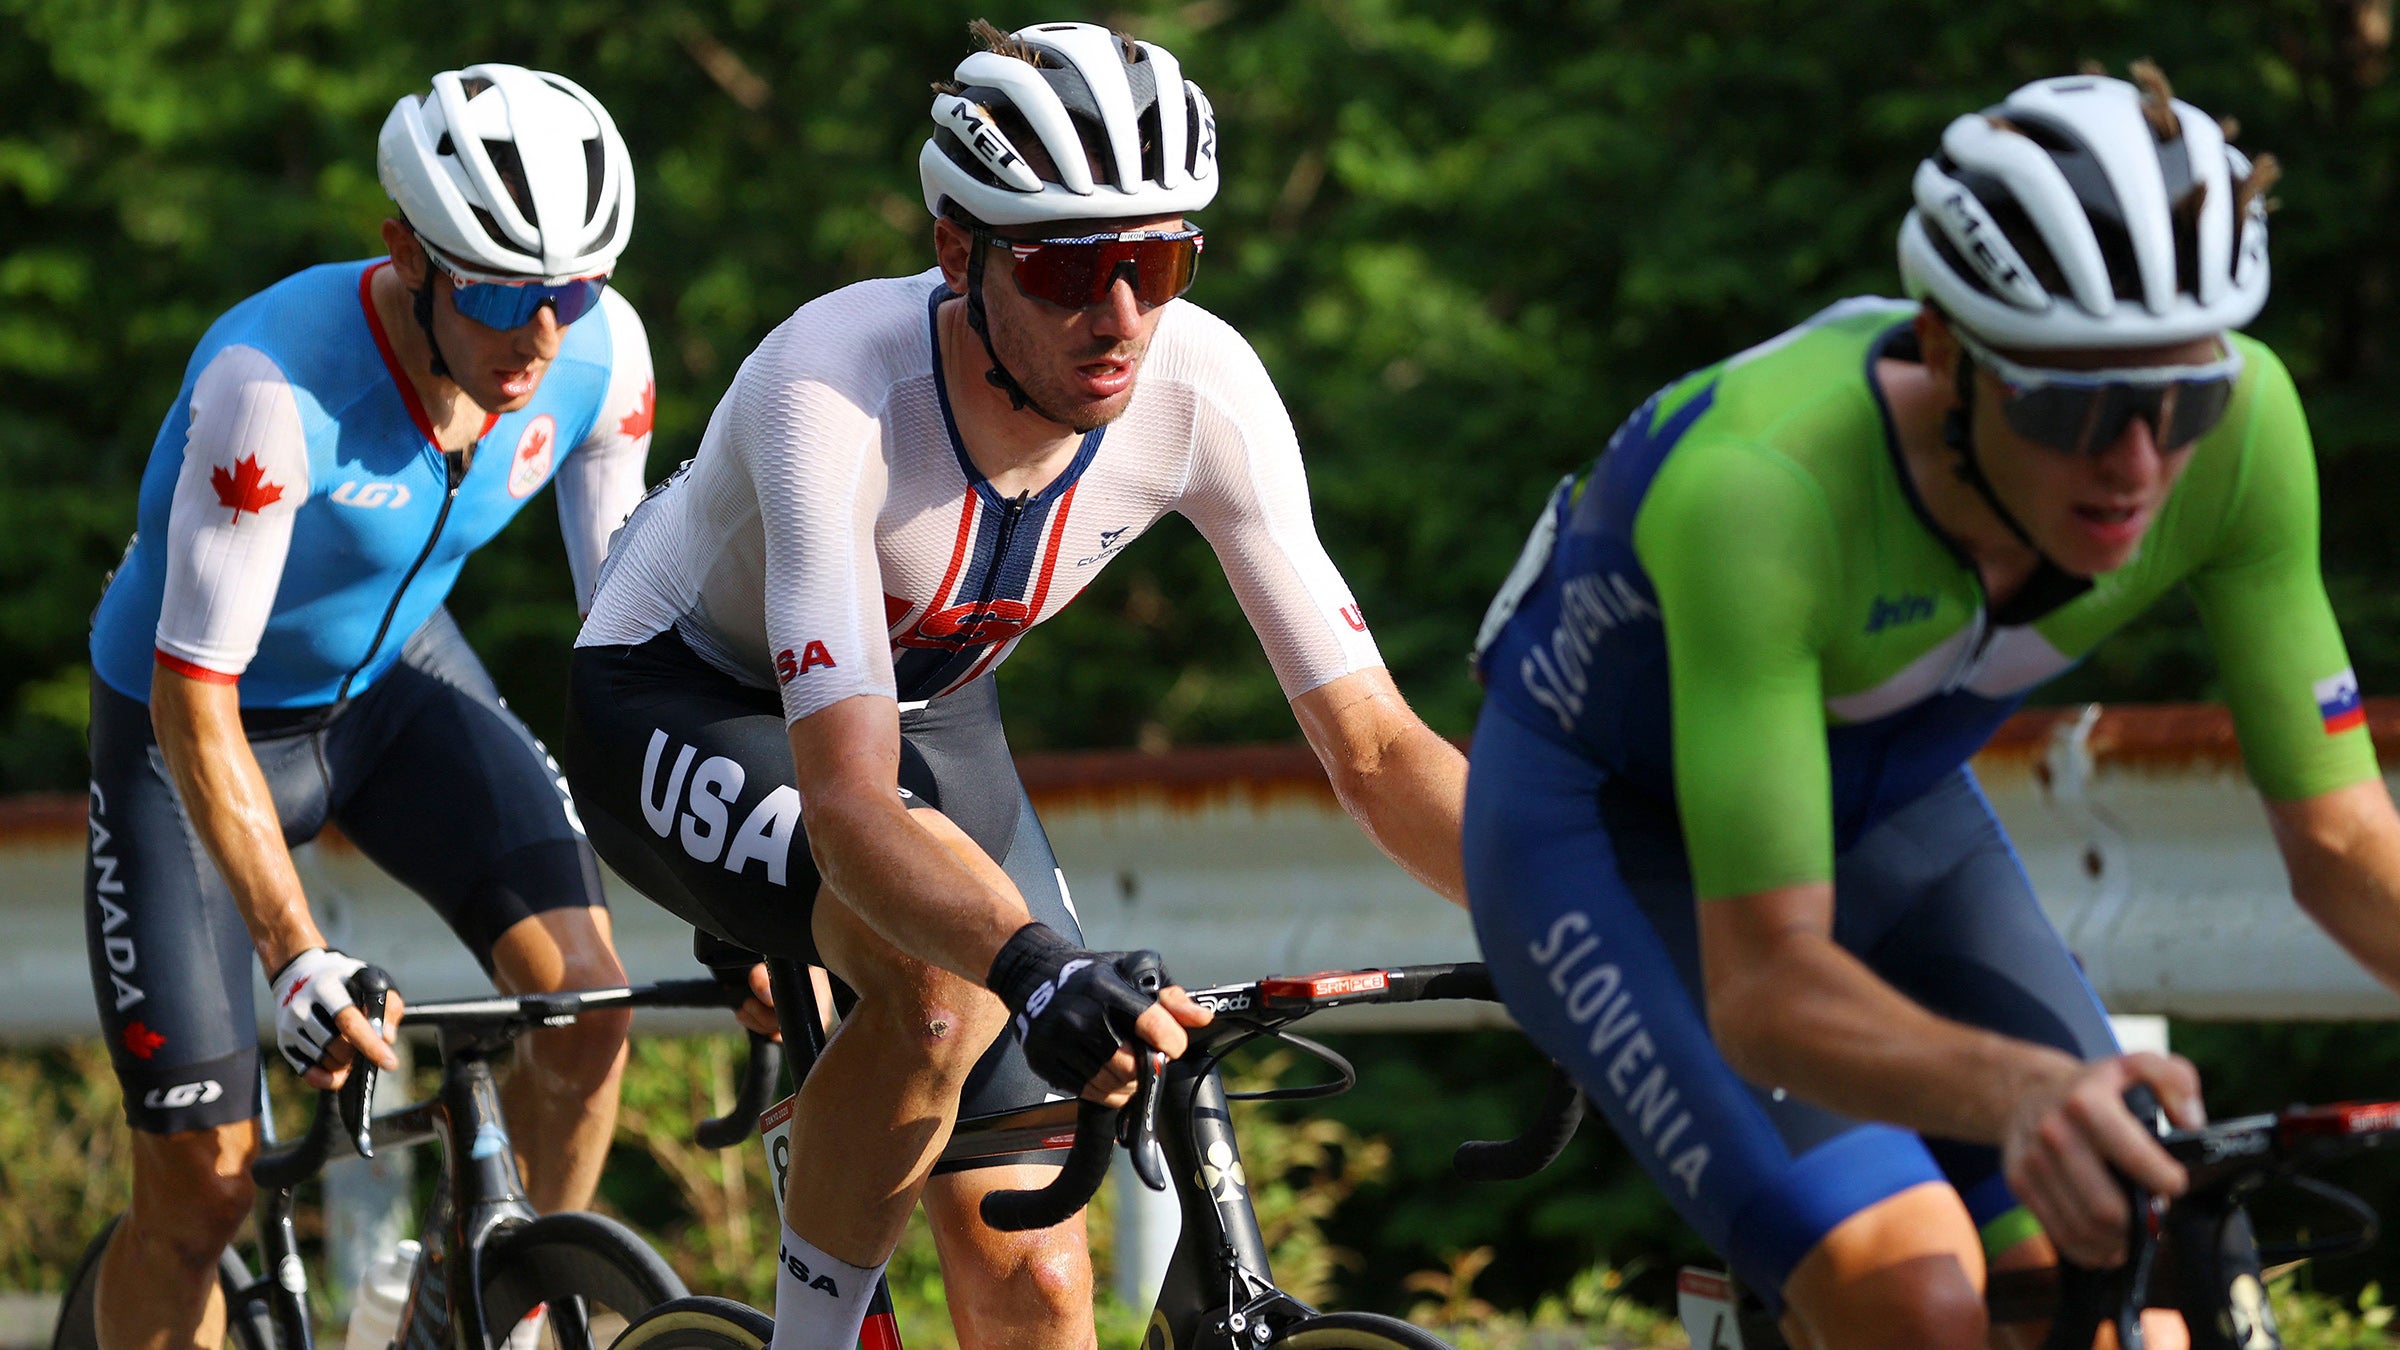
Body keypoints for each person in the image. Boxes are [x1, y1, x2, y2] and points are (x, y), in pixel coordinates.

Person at [564, 19, 1468, 1349]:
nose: (1122, 317)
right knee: (946, 994)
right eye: (1066, 269)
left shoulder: (1201, 383)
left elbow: (1379, 750)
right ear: (957, 253)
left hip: (931, 707)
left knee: (1038, 1278)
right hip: (684, 695)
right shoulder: (831, 387)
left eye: (1158, 263)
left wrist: (1571, 913)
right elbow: (851, 804)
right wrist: (1040, 963)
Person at [1465, 65, 2400, 1349]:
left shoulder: (2246, 436)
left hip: (1894, 816)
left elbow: (2343, 842)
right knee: (1915, 1295)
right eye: (2076, 405)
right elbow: (1767, 987)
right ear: (1949, 353)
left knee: (2156, 1280)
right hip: (1609, 835)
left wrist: (2045, 1099)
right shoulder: (1764, 491)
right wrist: (2026, 1092)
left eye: (2186, 398)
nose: (2138, 464)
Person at [82, 63, 654, 1350]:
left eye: (571, 290)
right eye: (500, 291)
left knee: (590, 1012)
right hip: (191, 732)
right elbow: (193, 701)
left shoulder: (604, 360)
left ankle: (469, 1310)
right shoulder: (272, 389)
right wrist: (294, 954)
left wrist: (748, 898)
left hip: (394, 688)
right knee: (204, 1192)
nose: (541, 334)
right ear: (408, 255)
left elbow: (635, 650)